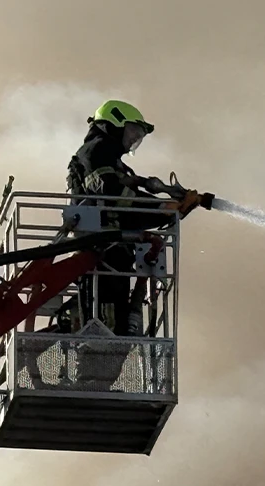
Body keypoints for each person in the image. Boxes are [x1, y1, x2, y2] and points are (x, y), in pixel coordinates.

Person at [66, 99, 183, 336]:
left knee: (116, 328)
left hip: (114, 250)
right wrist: (161, 207)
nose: (134, 139)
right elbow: (114, 194)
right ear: (114, 124)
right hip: (99, 249)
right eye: (132, 131)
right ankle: (90, 363)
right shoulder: (96, 150)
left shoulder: (113, 160)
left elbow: (129, 207)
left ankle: (97, 362)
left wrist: (167, 210)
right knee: (103, 327)